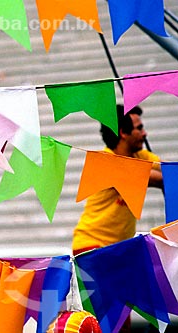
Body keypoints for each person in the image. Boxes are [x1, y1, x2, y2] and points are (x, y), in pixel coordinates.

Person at [72, 105, 163, 332]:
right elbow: (162, 179)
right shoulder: (107, 162)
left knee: (121, 322)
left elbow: (171, 173)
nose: (145, 133)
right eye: (139, 128)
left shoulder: (139, 156)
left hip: (116, 251)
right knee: (113, 322)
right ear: (124, 132)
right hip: (93, 249)